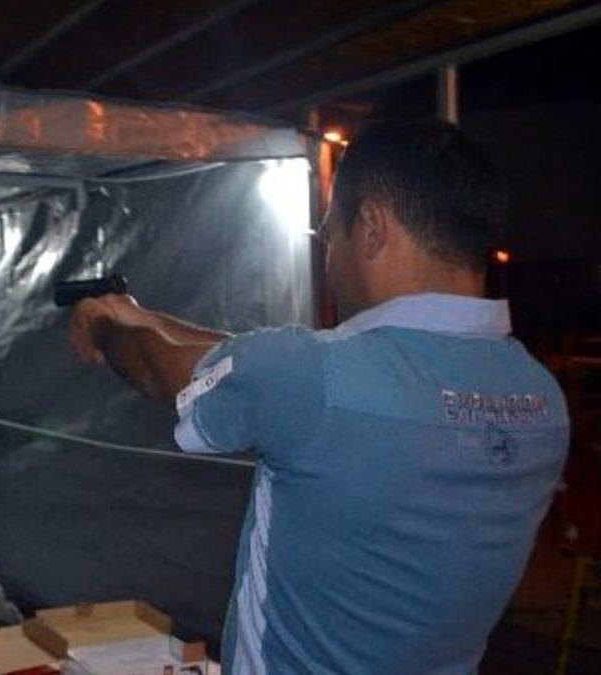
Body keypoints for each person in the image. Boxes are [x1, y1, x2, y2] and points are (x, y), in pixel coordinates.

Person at [68, 119, 569, 674]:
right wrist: (143, 317)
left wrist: (104, 326)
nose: (328, 256)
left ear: (371, 228)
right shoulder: (542, 398)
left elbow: (162, 371)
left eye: (330, 236)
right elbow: (265, 369)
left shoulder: (308, 378)